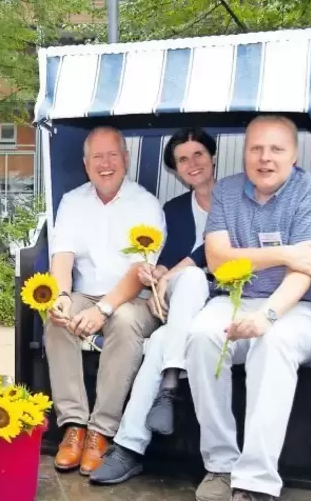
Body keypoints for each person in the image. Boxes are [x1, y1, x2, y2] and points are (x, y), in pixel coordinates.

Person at [185, 115, 311, 501]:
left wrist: (266, 316)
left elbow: (304, 274)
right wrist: (285, 252)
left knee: (273, 343)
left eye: (276, 149)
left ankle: (255, 482)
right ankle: (220, 465)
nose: (265, 158)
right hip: (234, 299)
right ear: (244, 153)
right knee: (202, 335)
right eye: (256, 148)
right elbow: (218, 260)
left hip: (295, 306)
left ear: (294, 155)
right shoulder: (228, 192)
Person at [90, 127, 217, 485]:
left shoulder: (235, 199)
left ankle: (130, 445)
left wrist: (170, 274)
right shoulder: (175, 209)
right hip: (183, 302)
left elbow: (213, 248)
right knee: (187, 282)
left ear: (213, 157)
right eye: (182, 160)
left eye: (198, 155)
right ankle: (167, 389)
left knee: (161, 343)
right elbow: (167, 259)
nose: (192, 164)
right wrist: (158, 273)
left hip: (223, 299)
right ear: (175, 170)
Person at [45, 126, 164, 476]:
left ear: (125, 160)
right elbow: (62, 258)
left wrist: (103, 310)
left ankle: (101, 431)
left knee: (124, 323)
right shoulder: (72, 201)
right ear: (86, 164)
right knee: (55, 318)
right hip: (85, 293)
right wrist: (62, 297)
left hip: (136, 297)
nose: (106, 163)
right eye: (98, 157)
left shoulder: (145, 204)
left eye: (113, 155)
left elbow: (140, 270)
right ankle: (74, 426)